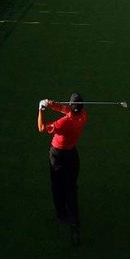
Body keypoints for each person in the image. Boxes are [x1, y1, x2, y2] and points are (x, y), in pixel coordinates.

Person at [37, 93, 88, 246]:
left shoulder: (64, 122)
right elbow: (66, 109)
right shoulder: (83, 115)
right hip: (72, 154)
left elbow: (41, 128)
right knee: (71, 189)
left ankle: (61, 214)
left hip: (58, 155)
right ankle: (75, 225)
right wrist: (52, 104)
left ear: (72, 107)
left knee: (57, 186)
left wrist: (41, 109)